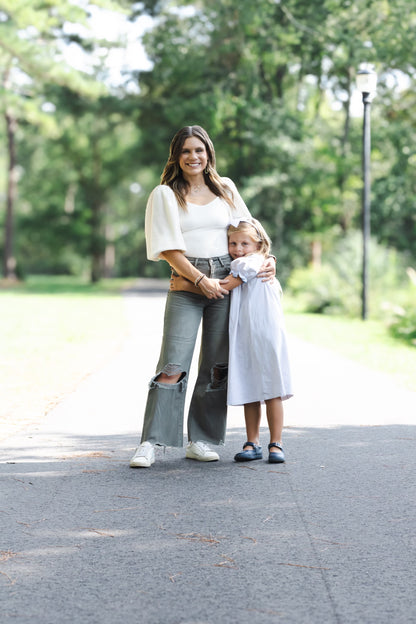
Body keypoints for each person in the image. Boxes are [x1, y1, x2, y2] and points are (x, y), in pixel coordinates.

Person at [130, 126, 275, 468]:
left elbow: (250, 230)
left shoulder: (225, 189)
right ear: (176, 157)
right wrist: (198, 279)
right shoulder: (165, 194)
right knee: (172, 364)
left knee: (216, 365)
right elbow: (167, 248)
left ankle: (202, 439)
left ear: (208, 153)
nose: (193, 157)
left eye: (199, 150)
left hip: (227, 277)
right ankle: (151, 441)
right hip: (187, 278)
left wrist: (267, 260)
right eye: (186, 151)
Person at [172, 217, 293, 463]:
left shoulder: (253, 263)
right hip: (245, 333)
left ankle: (276, 443)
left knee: (272, 389)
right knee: (250, 388)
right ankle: (252, 442)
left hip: (265, 332)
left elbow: (224, 286)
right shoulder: (242, 261)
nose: (237, 249)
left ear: (259, 245)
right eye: (233, 243)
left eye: (244, 243)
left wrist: (184, 284)